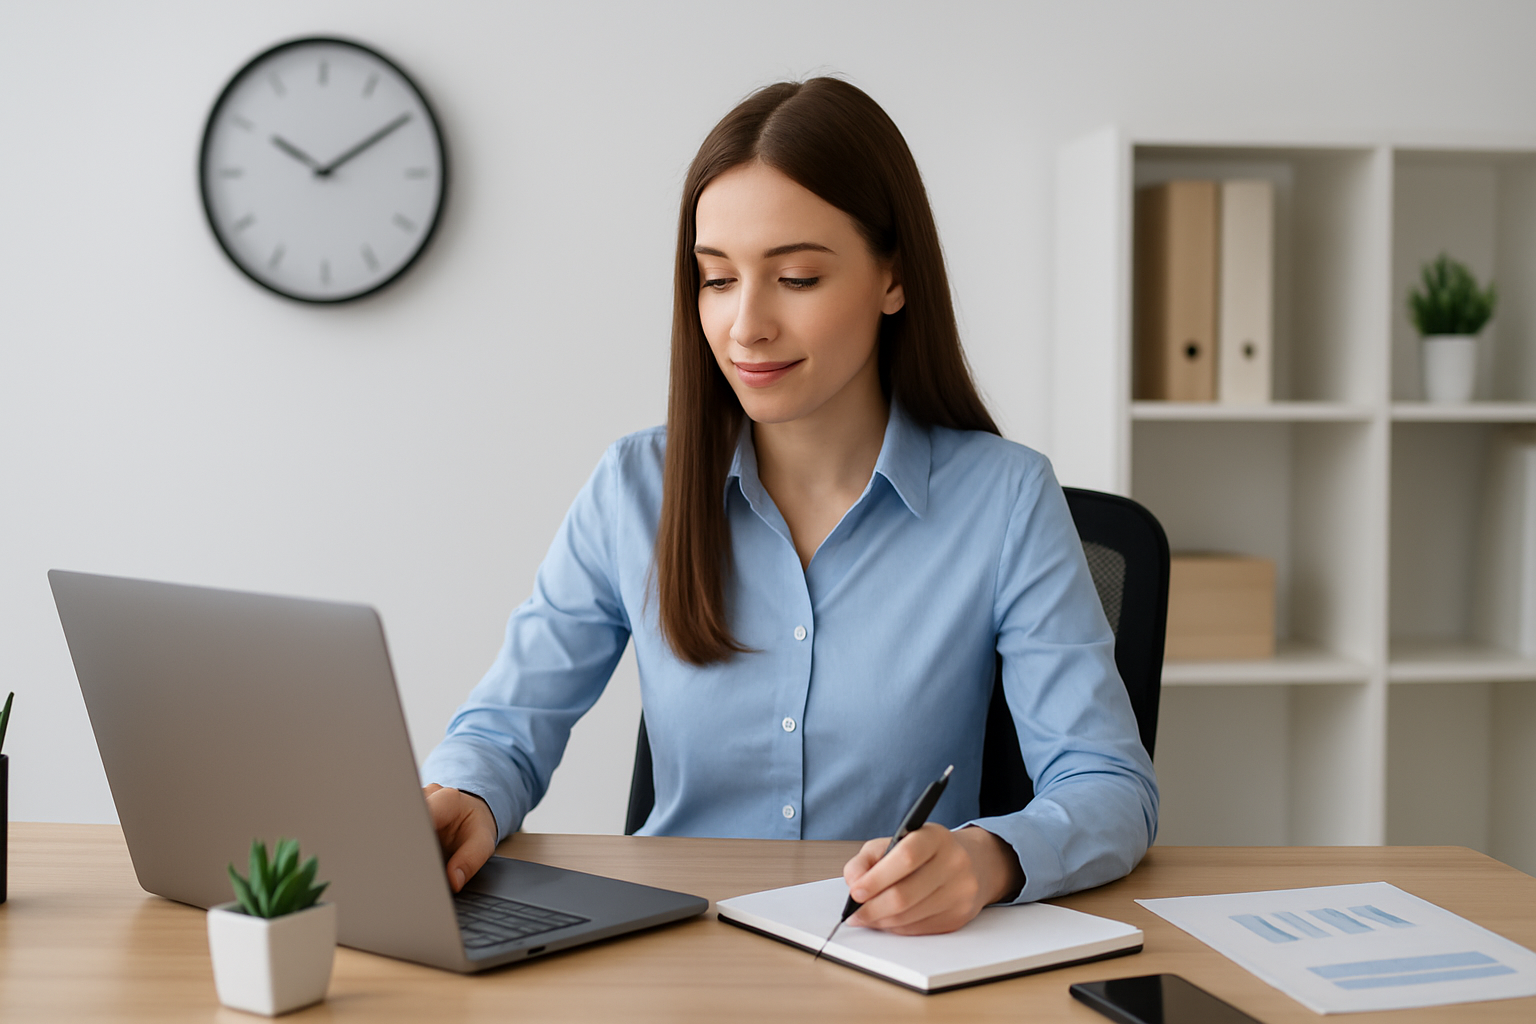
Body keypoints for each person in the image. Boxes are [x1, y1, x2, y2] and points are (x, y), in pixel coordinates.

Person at [421, 77, 1157, 936]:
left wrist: (986, 859)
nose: (746, 325)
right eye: (716, 278)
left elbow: (1109, 785)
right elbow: (505, 728)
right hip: (679, 950)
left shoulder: (1005, 499)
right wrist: (467, 794)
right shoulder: (634, 487)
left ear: (893, 277)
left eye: (797, 277)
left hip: (889, 953)